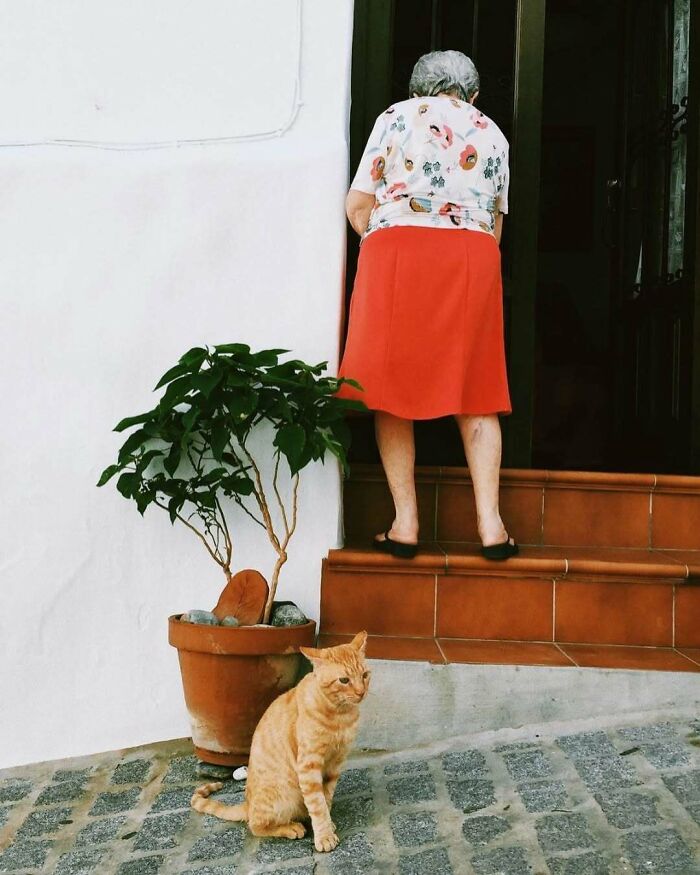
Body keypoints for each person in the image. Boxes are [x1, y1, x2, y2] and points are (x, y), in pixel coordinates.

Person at [337, 50, 517, 561]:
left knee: (391, 387)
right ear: (473, 95)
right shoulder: (493, 132)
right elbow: (495, 226)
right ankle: (491, 527)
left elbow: (358, 203)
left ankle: (406, 523)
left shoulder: (395, 117)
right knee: (477, 389)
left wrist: (384, 234)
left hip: (399, 252)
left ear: (419, 89)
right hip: (470, 257)